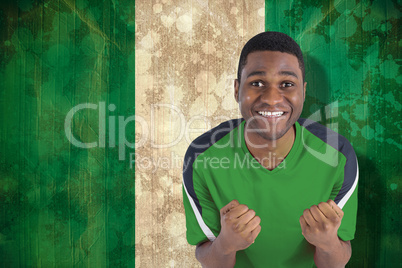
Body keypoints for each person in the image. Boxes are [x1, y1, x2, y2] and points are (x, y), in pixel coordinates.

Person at [182, 31, 359, 267]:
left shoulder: (338, 155)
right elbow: (207, 256)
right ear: (237, 90)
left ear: (303, 92)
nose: (272, 99)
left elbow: (337, 261)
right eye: (257, 83)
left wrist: (328, 243)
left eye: (287, 84)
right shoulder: (201, 157)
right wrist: (225, 244)